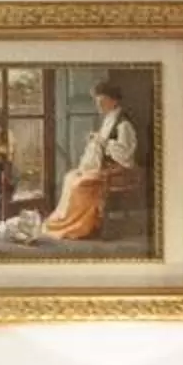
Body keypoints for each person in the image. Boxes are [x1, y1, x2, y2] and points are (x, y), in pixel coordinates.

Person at [42, 80, 138, 243]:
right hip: (105, 165)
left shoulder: (124, 124)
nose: (98, 106)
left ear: (113, 101)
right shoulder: (109, 119)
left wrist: (102, 142)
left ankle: (80, 225)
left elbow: (126, 154)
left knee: (80, 183)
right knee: (70, 177)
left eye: (102, 102)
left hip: (118, 169)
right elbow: (103, 142)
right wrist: (98, 140)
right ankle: (65, 220)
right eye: (97, 102)